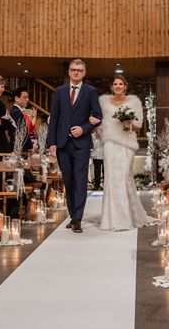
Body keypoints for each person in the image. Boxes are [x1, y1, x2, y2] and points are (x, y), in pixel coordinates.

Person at [47, 59, 102, 234]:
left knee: (80, 181)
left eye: (79, 70)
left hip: (82, 144)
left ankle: (77, 219)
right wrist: (52, 142)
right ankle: (73, 215)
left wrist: (84, 128)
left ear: (84, 73)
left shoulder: (91, 91)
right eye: (73, 70)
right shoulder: (60, 91)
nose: (76, 72)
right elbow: (54, 118)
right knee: (68, 181)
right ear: (69, 72)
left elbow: (98, 115)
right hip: (62, 143)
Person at [97, 75, 153, 231]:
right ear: (111, 87)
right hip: (109, 144)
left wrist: (128, 123)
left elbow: (138, 125)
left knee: (124, 176)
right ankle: (111, 218)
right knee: (111, 177)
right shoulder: (103, 102)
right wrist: (99, 131)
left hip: (126, 144)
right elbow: (99, 121)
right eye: (115, 84)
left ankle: (127, 216)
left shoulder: (134, 102)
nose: (118, 86)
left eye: (120, 83)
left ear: (125, 86)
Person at [9, 87, 34, 151]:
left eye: (27, 98)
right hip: (19, 147)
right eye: (25, 97)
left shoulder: (15, 111)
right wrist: (31, 146)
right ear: (17, 99)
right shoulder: (16, 112)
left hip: (18, 145)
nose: (27, 100)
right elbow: (23, 132)